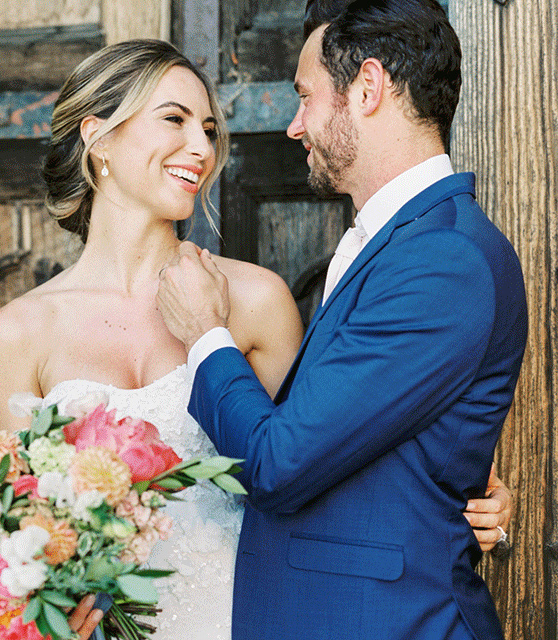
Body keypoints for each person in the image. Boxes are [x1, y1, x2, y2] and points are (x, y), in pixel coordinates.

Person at [0, 34, 513, 640]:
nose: (201, 148)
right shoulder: (18, 333)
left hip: (251, 617)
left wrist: (460, 490)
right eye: (174, 120)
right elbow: (15, 539)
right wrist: (46, 600)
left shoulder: (255, 301)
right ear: (96, 135)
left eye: (209, 129)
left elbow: (319, 455)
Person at [155, 1, 527, 638]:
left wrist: (205, 335)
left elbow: (278, 462)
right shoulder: (398, 244)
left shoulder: (444, 259)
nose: (295, 126)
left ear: (368, 87)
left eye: (306, 96)